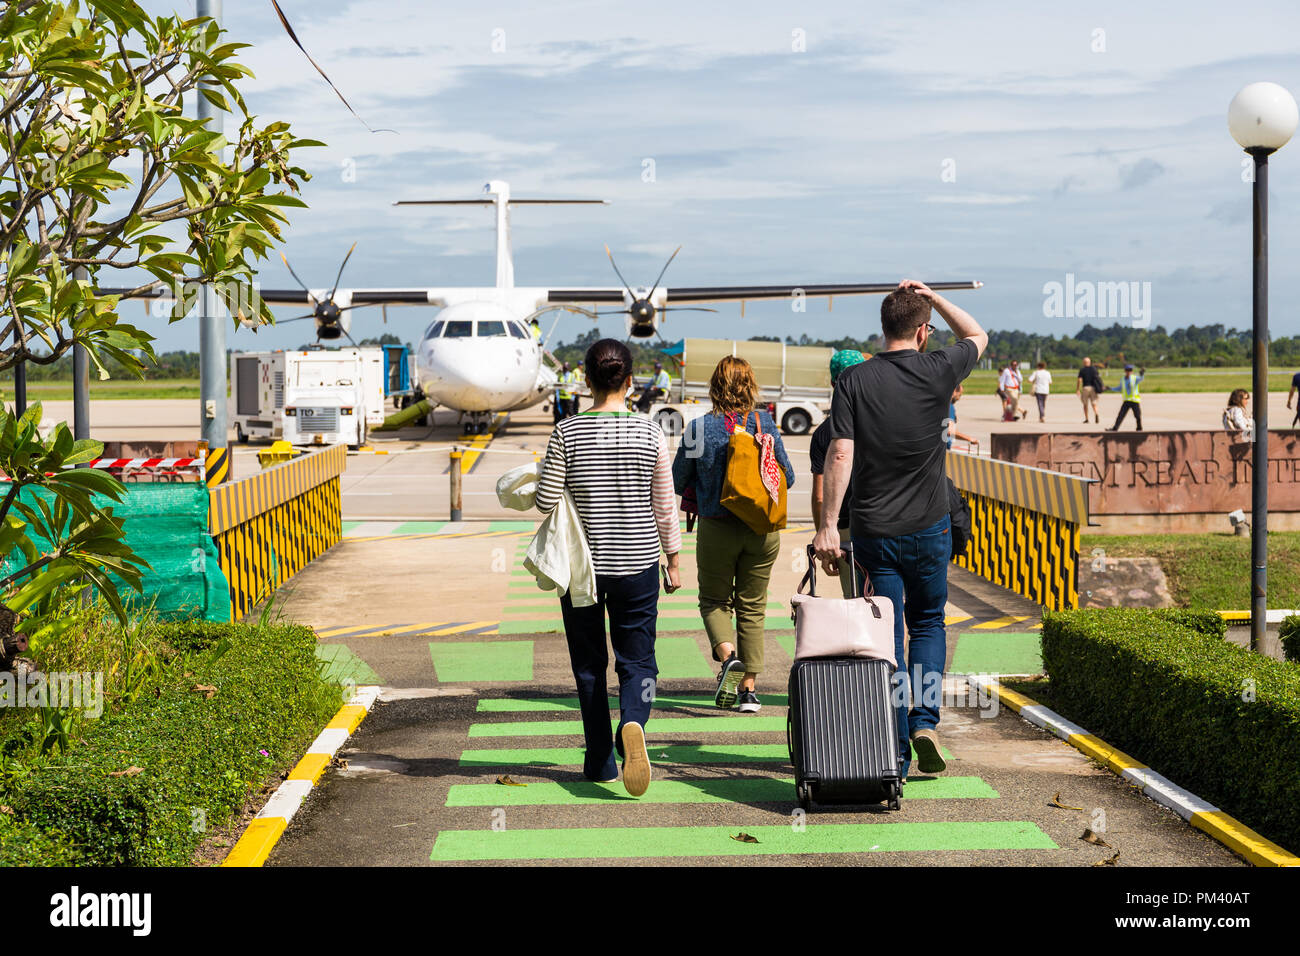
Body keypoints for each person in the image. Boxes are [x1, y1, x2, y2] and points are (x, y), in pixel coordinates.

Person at [813, 279, 988, 780]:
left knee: (884, 637)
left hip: (874, 532)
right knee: (929, 623)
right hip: (931, 526)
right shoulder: (938, 369)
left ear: (883, 328)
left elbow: (840, 452)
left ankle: (891, 744)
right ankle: (925, 723)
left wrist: (829, 526)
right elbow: (977, 334)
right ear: (922, 331)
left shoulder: (854, 381)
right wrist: (934, 297)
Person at [535, 338, 682, 797]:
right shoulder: (650, 432)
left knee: (589, 665)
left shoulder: (566, 432)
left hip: (582, 572)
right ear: (631, 380)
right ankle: (633, 724)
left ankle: (600, 761)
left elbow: (543, 502)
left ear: (584, 379)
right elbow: (664, 505)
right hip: (638, 564)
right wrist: (673, 559)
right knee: (638, 662)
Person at [673, 355, 795, 714]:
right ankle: (749, 692)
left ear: (714, 387)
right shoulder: (765, 423)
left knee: (713, 601)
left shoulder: (698, 428)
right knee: (753, 607)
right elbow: (786, 477)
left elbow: (679, 479)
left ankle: (728, 657)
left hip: (716, 526)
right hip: (761, 530)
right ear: (750, 385)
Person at [810, 349, 869, 598]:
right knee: (892, 605)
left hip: (844, 530)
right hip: (884, 522)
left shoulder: (824, 433)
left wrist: (824, 535)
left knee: (856, 604)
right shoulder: (882, 420)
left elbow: (821, 495)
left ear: (834, 383)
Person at [1106, 364, 1144, 432]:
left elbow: (1141, 379)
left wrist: (1142, 374)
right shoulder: (1123, 379)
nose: (1129, 372)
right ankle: (1115, 428)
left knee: (1137, 416)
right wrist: (1110, 388)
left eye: (1130, 370)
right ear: (1125, 371)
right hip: (1126, 400)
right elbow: (1119, 388)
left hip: (1134, 400)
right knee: (1120, 415)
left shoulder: (1135, 378)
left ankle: (1139, 428)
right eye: (1128, 370)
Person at [945, 383, 979, 450]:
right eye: (959, 395)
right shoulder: (950, 407)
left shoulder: (941, 405)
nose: (959, 399)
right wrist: (969, 439)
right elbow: (950, 431)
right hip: (944, 450)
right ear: (954, 391)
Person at [1076, 357, 1103, 424]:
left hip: (1085, 388)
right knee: (1094, 403)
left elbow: (1079, 380)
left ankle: (1087, 419)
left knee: (1085, 404)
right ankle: (1096, 413)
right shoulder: (1094, 369)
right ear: (1090, 362)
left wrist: (1077, 389)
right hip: (1093, 388)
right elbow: (1098, 378)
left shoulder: (1082, 370)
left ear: (1083, 363)